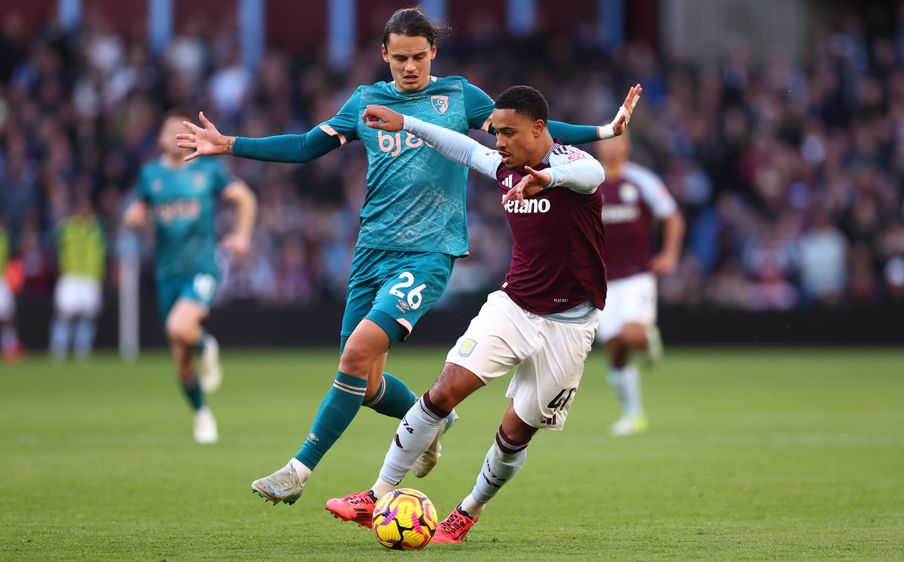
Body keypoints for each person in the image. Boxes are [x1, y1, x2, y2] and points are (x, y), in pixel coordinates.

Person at [176, 7, 637, 505]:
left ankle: (298, 471)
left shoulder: (459, 96)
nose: (410, 66)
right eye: (400, 58)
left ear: (433, 52)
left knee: (354, 355)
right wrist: (230, 144)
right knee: (365, 380)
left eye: (419, 56)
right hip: (370, 252)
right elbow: (307, 146)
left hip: (427, 252)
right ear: (384, 56)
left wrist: (603, 131)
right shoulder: (365, 101)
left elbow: (529, 132)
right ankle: (435, 419)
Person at [326, 83, 625, 542]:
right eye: (496, 132)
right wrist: (408, 123)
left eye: (508, 133)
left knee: (514, 435)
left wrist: (547, 179)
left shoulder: (568, 162)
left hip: (570, 325)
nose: (499, 142)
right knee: (442, 393)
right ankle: (377, 493)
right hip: (513, 307)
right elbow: (465, 147)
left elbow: (592, 174)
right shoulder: (504, 167)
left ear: (539, 128)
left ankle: (468, 510)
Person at [124, 110, 257, 444]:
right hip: (167, 272)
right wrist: (134, 218)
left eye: (182, 131)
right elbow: (138, 210)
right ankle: (202, 413)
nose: (175, 137)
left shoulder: (209, 170)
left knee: (179, 327)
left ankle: (207, 345)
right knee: (182, 360)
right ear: (160, 139)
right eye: (170, 131)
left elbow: (245, 198)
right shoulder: (150, 175)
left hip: (201, 267)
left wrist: (241, 235)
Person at [594, 134, 685, 436]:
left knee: (630, 334)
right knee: (615, 349)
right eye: (607, 140)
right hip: (602, 280)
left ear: (626, 146)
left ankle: (647, 338)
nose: (611, 146)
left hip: (636, 276)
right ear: (599, 145)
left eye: (617, 141)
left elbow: (673, 217)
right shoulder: (588, 181)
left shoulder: (642, 180)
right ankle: (633, 414)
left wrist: (669, 254)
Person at [50, 196, 106, 361]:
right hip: (71, 275)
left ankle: (82, 349)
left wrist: (99, 273)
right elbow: (55, 247)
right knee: (65, 313)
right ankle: (59, 349)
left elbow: (101, 253)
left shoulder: (97, 229)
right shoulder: (67, 228)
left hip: (90, 276)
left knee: (88, 314)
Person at [0, 221, 24, 363]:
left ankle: (10, 349)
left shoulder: (4, 237)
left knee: (8, 317)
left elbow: (11, 259)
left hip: (1, 280)